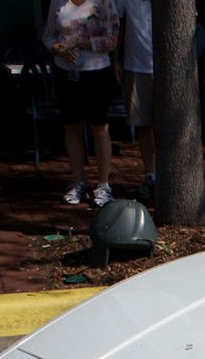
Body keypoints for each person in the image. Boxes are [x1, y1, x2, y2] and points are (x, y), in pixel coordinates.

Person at [43, 0, 120, 207]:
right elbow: (48, 35)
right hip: (66, 73)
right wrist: (58, 48)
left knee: (99, 128)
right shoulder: (58, 3)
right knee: (71, 126)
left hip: (96, 71)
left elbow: (112, 40)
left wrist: (83, 43)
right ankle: (78, 181)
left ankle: (103, 185)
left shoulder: (104, 3)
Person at [117, 0, 154, 200]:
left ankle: (167, 174)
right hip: (136, 66)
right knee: (144, 124)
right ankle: (151, 174)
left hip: (168, 69)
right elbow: (119, 27)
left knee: (167, 125)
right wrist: (116, 59)